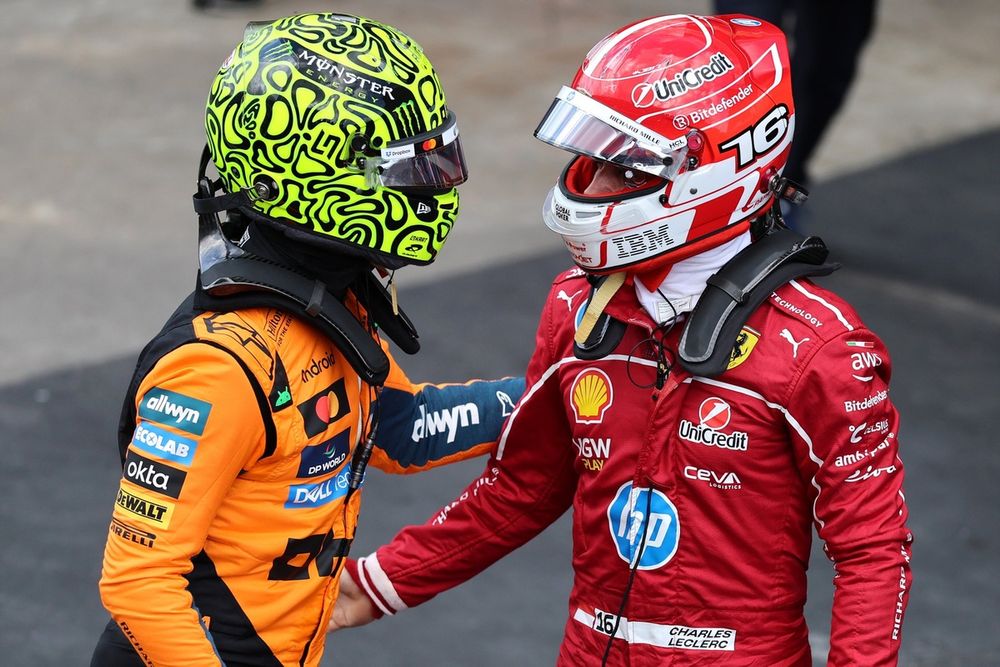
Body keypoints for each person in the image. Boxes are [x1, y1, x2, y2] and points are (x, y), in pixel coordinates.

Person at [329, 13, 912, 666]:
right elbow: (523, 486)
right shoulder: (576, 306)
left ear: (715, 171)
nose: (595, 185)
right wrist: (375, 584)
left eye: (626, 167)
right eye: (594, 159)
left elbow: (872, 551)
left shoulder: (820, 350)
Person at [90, 13, 523, 667]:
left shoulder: (330, 299)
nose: (435, 186)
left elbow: (401, 428)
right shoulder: (215, 369)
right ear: (311, 173)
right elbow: (138, 583)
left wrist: (548, 394)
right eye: (411, 169)